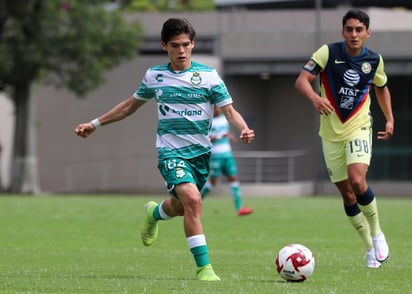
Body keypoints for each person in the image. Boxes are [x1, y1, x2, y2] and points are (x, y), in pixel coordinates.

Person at [74, 18, 255, 281]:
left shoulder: (208, 76)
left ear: (192, 44)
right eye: (174, 45)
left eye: (185, 45)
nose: (181, 51)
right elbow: (129, 106)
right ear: (164, 46)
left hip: (201, 154)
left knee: (183, 207)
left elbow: (229, 110)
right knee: (193, 200)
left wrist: (244, 128)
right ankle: (204, 268)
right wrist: (95, 123)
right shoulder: (155, 76)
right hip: (171, 152)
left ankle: (154, 213)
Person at [295, 9, 393, 268]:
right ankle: (369, 247)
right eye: (349, 29)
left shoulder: (374, 60)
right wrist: (315, 98)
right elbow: (302, 80)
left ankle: (377, 232)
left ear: (367, 33)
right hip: (330, 135)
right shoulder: (327, 52)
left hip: (358, 127)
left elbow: (381, 87)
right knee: (347, 194)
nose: (353, 34)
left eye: (359, 30)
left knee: (357, 180)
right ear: (343, 32)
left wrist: (390, 119)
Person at [201, 105, 253, 216]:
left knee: (233, 178)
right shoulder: (209, 121)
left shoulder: (224, 119)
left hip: (227, 154)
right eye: (216, 108)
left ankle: (240, 208)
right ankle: (196, 201)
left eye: (219, 107)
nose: (218, 109)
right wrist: (221, 136)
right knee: (213, 182)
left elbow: (227, 132)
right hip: (216, 155)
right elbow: (206, 138)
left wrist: (231, 136)